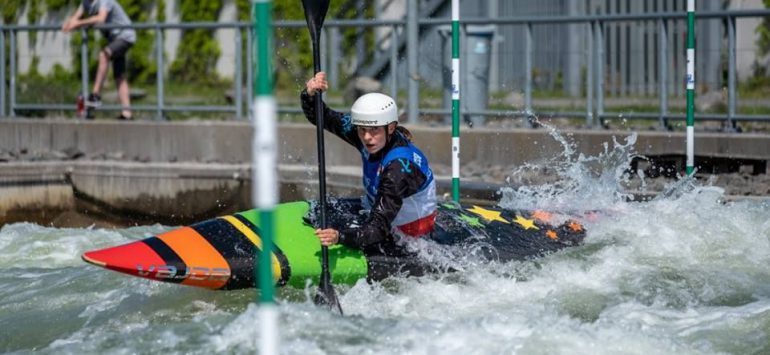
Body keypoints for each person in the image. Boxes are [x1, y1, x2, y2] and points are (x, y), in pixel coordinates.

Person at [302, 72, 437, 255]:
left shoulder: (398, 170)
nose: (366, 137)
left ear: (390, 127)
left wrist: (339, 237)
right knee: (317, 210)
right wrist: (310, 95)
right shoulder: (366, 133)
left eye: (373, 130)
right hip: (377, 212)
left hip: (407, 234)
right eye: (362, 130)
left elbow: (378, 229)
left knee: (339, 226)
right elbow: (323, 117)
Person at [62, 0, 136, 120]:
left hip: (125, 36)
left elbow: (101, 18)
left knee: (104, 55)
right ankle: (127, 113)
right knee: (119, 76)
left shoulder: (104, 1)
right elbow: (75, 17)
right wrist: (67, 24)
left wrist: (79, 23)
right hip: (114, 38)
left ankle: (95, 95)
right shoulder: (85, 3)